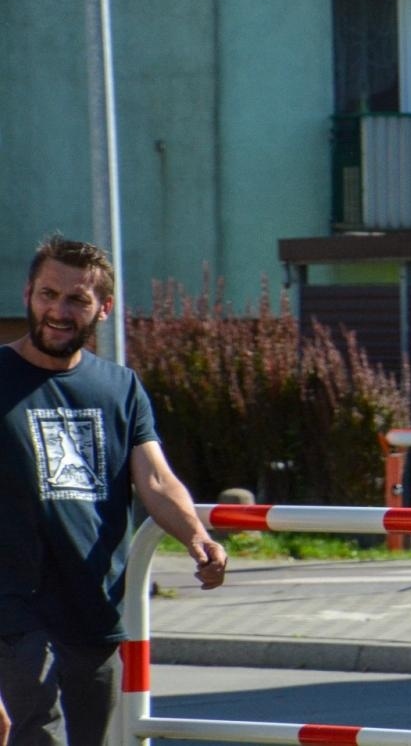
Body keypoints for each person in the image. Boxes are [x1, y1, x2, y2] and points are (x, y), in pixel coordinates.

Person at [0, 235, 228, 746]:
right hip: (12, 608)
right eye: (48, 294)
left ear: (102, 308)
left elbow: (154, 478)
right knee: (38, 734)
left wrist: (197, 538)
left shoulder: (120, 387)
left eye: (76, 299)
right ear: (27, 295)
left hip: (94, 605)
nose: (59, 310)